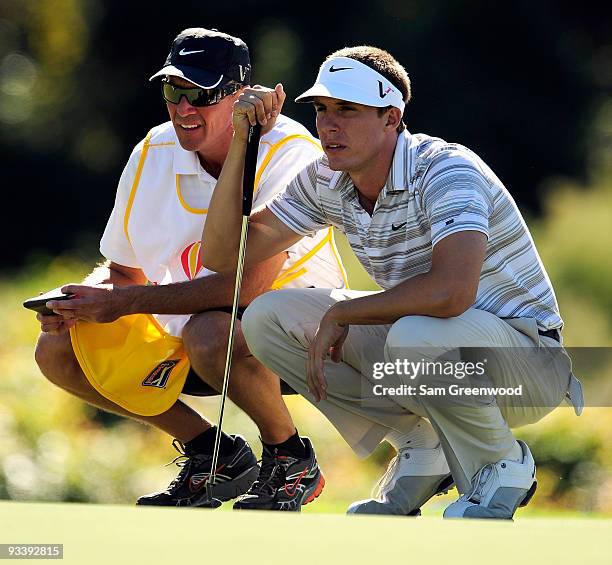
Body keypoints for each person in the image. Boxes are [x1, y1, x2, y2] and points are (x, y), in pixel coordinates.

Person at [201, 45, 584, 519]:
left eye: (348, 110)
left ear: (391, 117)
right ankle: (421, 446)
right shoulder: (326, 179)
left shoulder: (445, 169)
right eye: (322, 110)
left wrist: (344, 312)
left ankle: (501, 464)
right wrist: (241, 141)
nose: (328, 125)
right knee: (266, 318)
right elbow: (222, 256)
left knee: (413, 334)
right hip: (431, 347)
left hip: (528, 366)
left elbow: (451, 292)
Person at [33, 28, 347, 511]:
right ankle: (212, 455)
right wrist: (82, 302)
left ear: (242, 98)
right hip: (194, 334)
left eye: (201, 94)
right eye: (173, 92)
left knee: (209, 332)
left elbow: (246, 288)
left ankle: (290, 456)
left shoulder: (291, 151)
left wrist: (119, 303)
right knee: (57, 349)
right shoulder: (152, 151)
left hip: (299, 340)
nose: (184, 109)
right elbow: (124, 272)